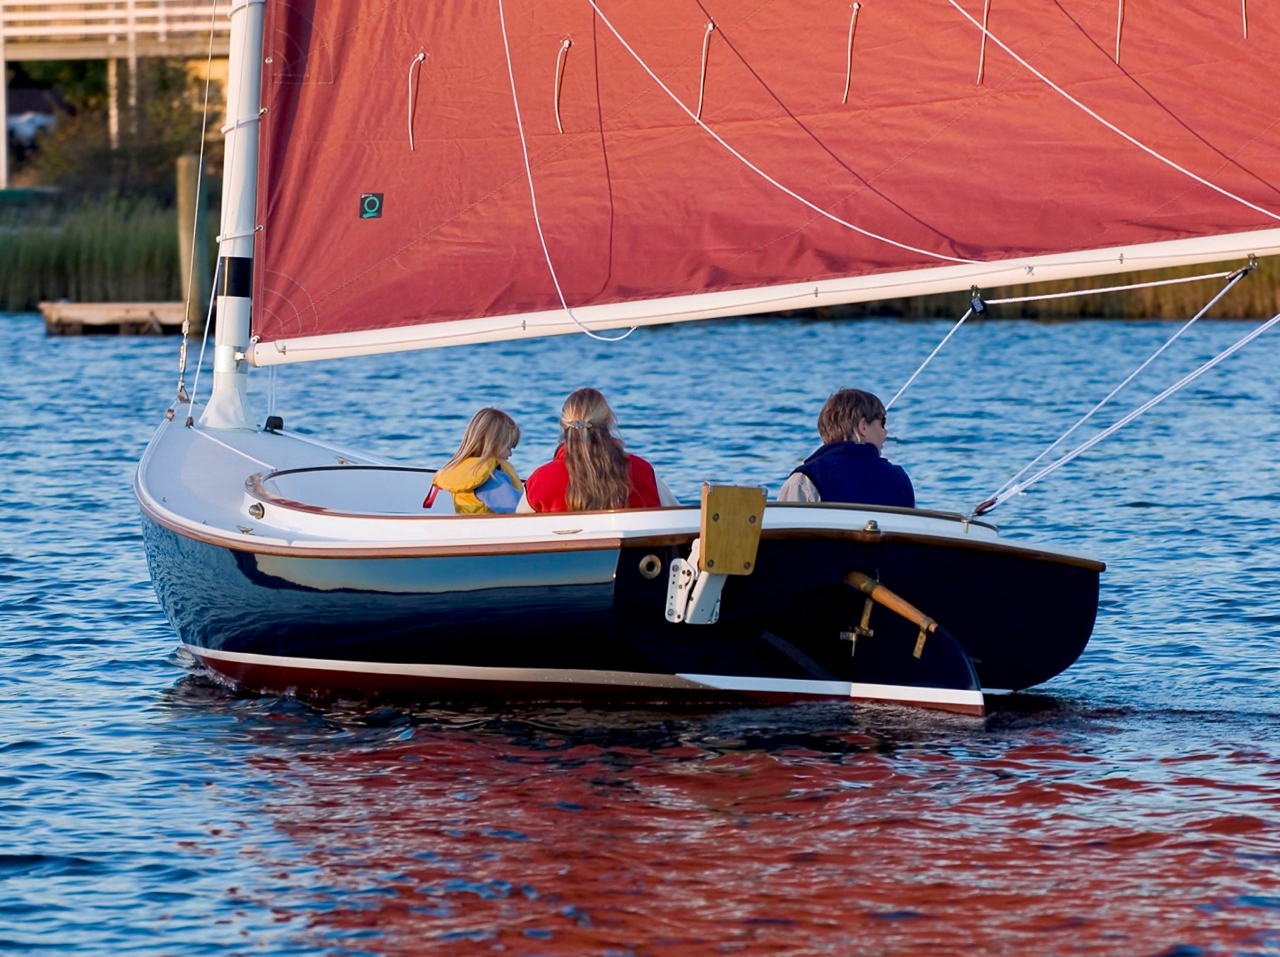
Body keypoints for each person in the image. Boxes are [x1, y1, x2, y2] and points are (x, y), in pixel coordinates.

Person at [520, 388, 679, 512]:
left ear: (563, 425)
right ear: (608, 421)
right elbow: (678, 517)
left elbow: (517, 531)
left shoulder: (541, 480)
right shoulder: (642, 471)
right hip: (638, 554)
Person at [777, 388, 914, 507]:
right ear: (863, 427)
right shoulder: (899, 480)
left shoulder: (804, 480)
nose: (885, 432)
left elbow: (784, 529)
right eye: (882, 423)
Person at [426, 408, 524, 514]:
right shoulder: (490, 478)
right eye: (508, 448)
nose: (510, 454)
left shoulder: (467, 472)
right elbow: (518, 508)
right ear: (493, 444)